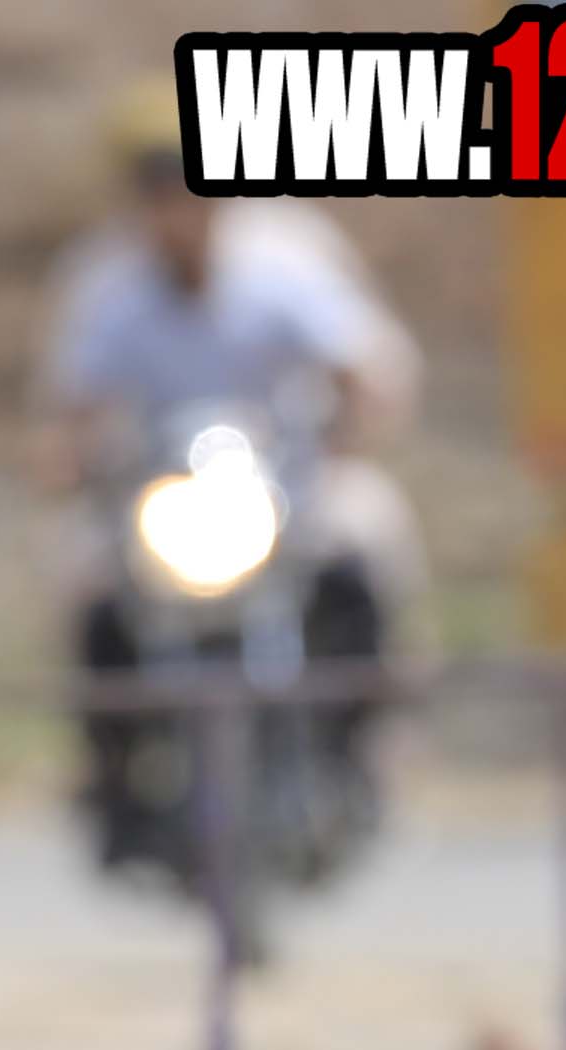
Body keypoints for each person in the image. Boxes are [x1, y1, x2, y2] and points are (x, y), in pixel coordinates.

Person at [40, 86, 426, 839]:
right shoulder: (109, 286)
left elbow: (361, 368)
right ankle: (107, 763)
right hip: (163, 506)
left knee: (374, 537)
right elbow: (72, 407)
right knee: (80, 578)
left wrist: (352, 427)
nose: (177, 210)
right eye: (157, 191)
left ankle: (371, 738)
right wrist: (65, 460)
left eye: (190, 187)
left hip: (285, 493)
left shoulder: (282, 263)